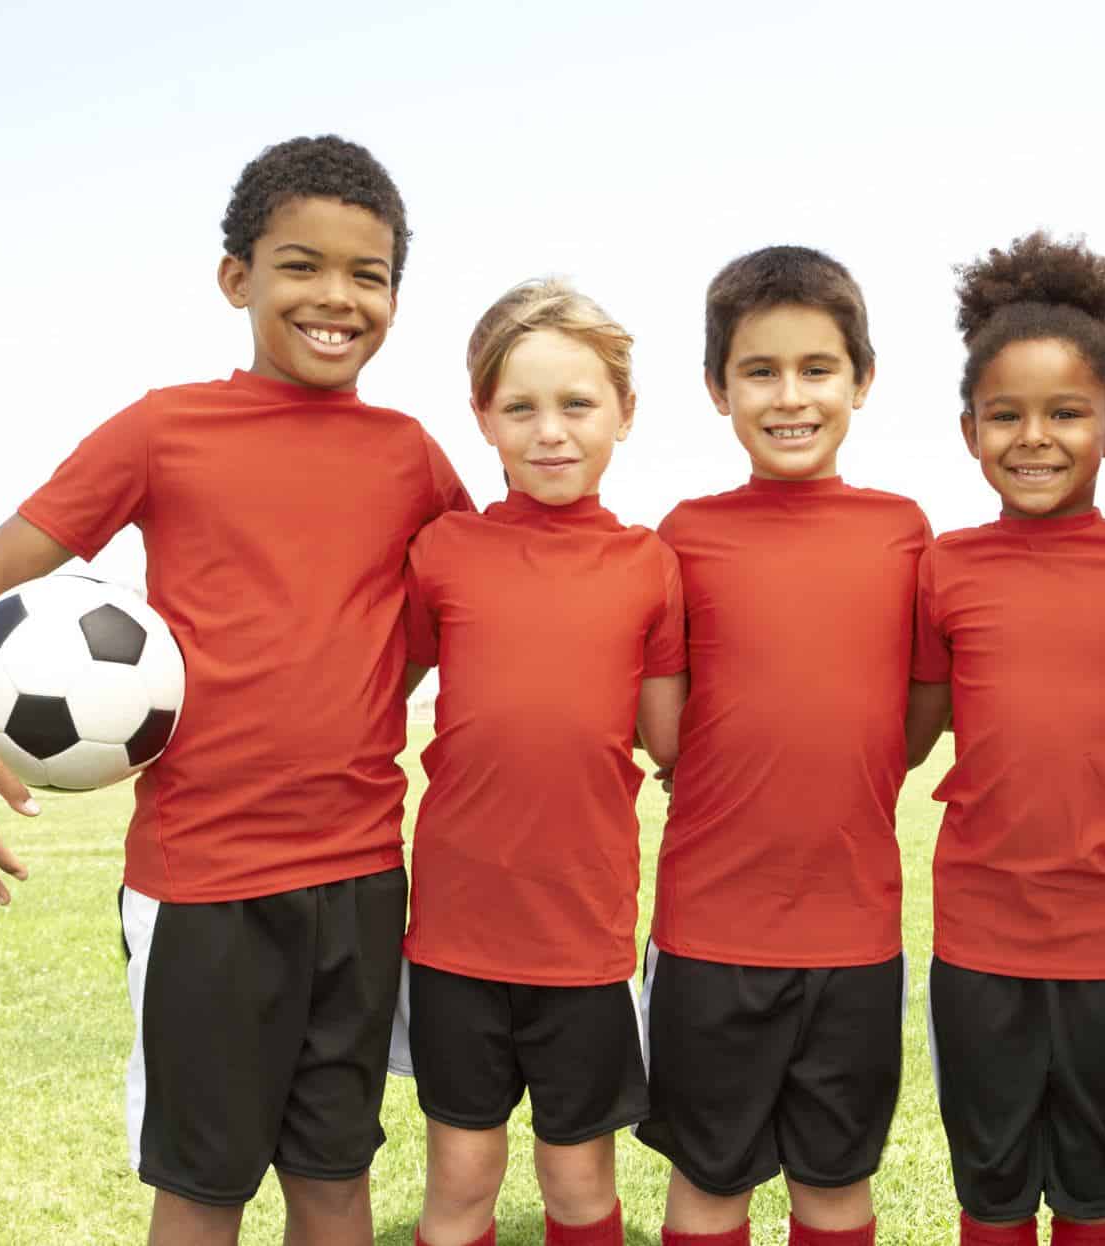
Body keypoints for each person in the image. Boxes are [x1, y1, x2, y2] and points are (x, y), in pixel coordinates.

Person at [0, 135, 471, 1243]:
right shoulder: (165, 429)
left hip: (360, 878)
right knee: (203, 1191)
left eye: (370, 273)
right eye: (301, 264)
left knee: (336, 1181)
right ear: (237, 278)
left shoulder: (412, 458)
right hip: (205, 887)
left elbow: (472, 612)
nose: (336, 297)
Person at [638, 246, 930, 1246]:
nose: (789, 395)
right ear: (718, 389)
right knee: (709, 1182)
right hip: (711, 933)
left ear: (862, 379)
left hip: (853, 934)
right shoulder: (683, 534)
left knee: (834, 1185)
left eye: (816, 369)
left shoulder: (903, 532)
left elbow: (916, 709)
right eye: (759, 371)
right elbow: (665, 720)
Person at [393, 279, 686, 1246]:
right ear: (482, 417)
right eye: (520, 407)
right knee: (462, 1179)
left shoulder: (649, 564)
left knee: (577, 1181)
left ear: (625, 414)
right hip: (454, 939)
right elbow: (376, 684)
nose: (550, 430)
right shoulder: (442, 551)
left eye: (578, 404)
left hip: (582, 937)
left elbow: (670, 739)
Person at [905, 232, 1105, 1246]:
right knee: (995, 1181)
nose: (1035, 437)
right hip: (979, 932)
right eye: (1005, 415)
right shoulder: (945, 567)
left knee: (1097, 1185)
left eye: (1065, 413)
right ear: (968, 429)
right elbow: (904, 732)